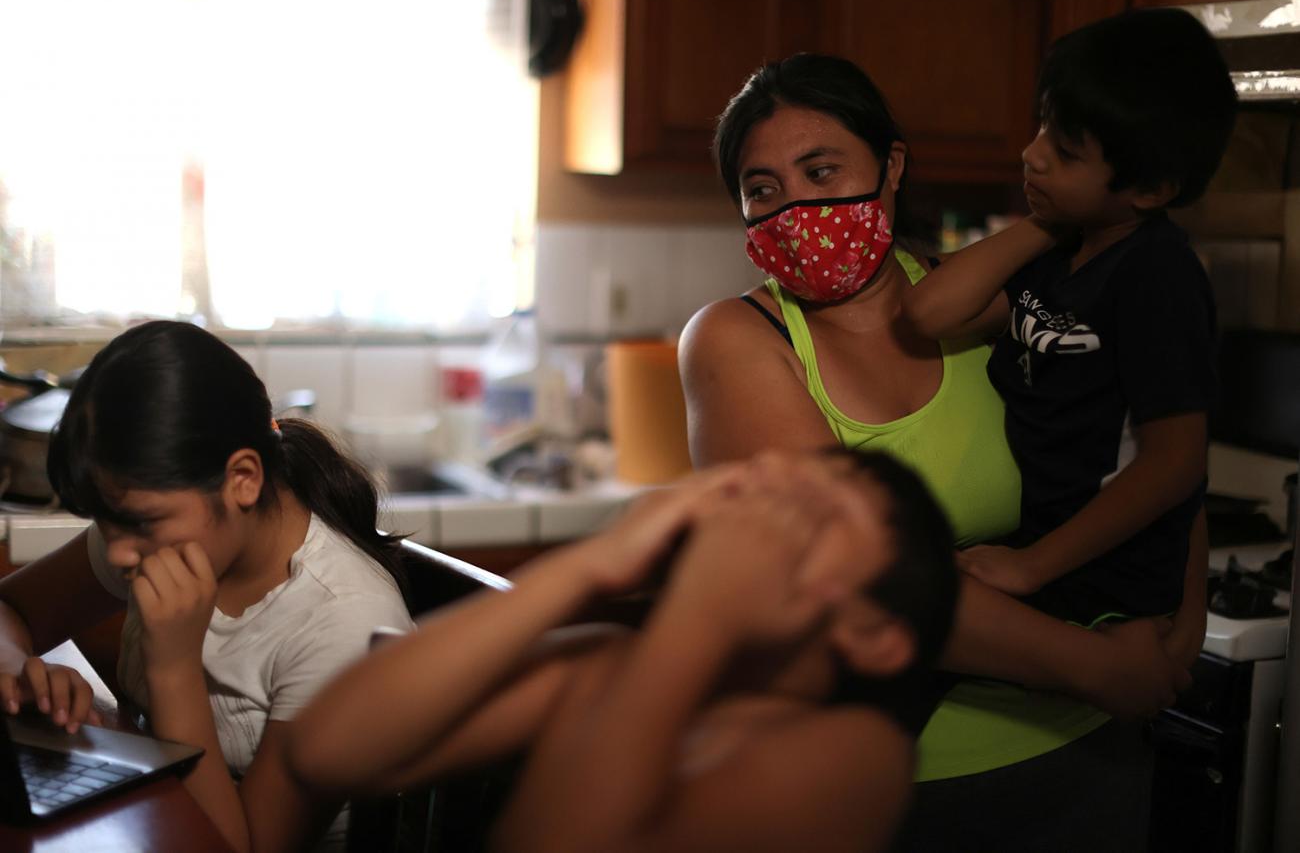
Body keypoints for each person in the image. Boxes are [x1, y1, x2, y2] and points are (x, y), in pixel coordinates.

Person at [678, 52, 1207, 851]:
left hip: (1088, 752)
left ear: (890, 166)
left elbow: (1148, 442)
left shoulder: (997, 300)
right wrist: (1098, 667)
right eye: (763, 189)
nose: (797, 210)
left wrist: (1182, 622)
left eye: (822, 171)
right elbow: (861, 571)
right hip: (889, 783)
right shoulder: (735, 340)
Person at [287, 448, 960, 853]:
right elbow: (327, 748)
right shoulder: (607, 663)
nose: (764, 513)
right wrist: (591, 564)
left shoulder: (860, 753)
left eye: (812, 512)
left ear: (876, 636)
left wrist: (702, 610)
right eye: (766, 489)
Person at [0, 321, 414, 853]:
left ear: (243, 479)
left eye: (139, 522)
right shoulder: (155, 535)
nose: (118, 550)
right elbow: (11, 608)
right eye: (106, 522)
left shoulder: (341, 621)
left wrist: (174, 667)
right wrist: (16, 675)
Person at [905, 8, 1233, 629]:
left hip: (1096, 588)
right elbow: (929, 310)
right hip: (1038, 564)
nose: (1031, 154)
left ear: (1153, 188)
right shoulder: (1065, 250)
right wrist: (1046, 222)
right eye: (1041, 127)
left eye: (1065, 149)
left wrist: (1033, 566)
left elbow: (1175, 462)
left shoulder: (1157, 274)